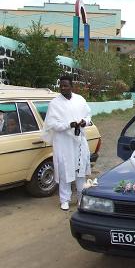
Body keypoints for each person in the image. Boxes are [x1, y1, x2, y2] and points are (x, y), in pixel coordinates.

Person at [41, 75, 92, 210]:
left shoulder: (80, 99)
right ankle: (65, 199)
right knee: (64, 170)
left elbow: (88, 115)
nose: (63, 88)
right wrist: (69, 125)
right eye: (61, 86)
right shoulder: (54, 103)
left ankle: (81, 197)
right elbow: (52, 124)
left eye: (66, 85)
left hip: (79, 141)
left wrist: (83, 122)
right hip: (63, 142)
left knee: (80, 170)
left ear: (71, 86)